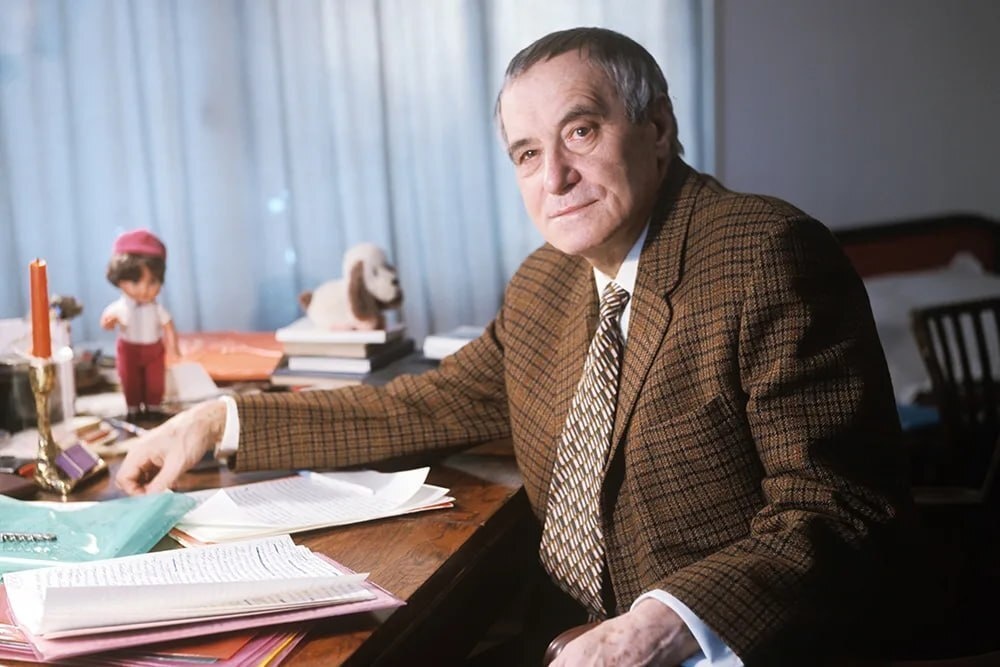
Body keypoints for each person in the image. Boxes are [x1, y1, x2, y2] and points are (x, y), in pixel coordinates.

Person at [117, 28, 911, 666]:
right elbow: (421, 405)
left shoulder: (766, 254)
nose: (554, 176)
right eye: (528, 154)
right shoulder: (546, 282)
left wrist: (660, 625)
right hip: (555, 628)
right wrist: (217, 421)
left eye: (581, 131)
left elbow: (841, 507)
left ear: (659, 128)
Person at [101, 228, 181, 419]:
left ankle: (153, 408)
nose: (144, 290)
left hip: (154, 350)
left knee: (155, 380)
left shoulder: (156, 309)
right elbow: (106, 322)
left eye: (152, 282)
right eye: (135, 282)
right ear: (119, 279)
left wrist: (173, 347)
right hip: (129, 351)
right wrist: (110, 323)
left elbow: (168, 325)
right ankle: (133, 409)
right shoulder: (120, 307)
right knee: (130, 380)